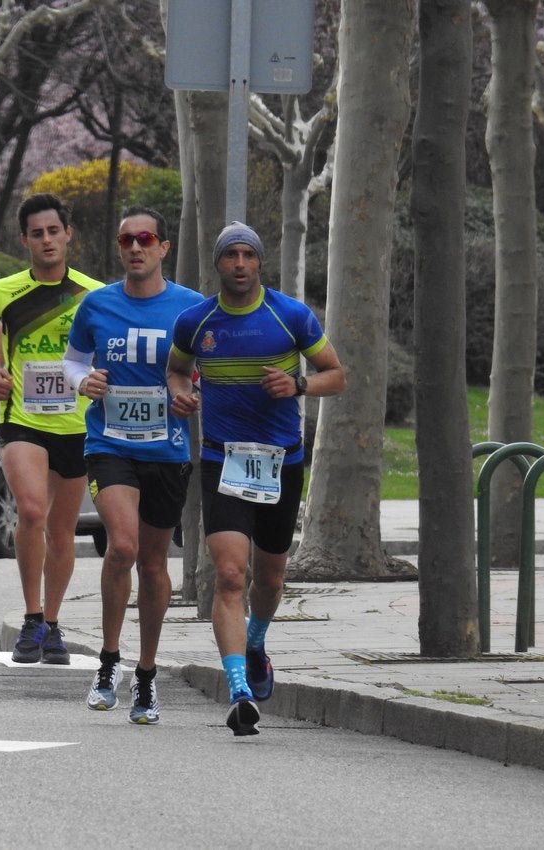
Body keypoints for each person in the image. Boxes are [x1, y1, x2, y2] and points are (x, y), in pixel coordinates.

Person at [166, 221, 346, 736]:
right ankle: (238, 687)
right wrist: (180, 392)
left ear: (258, 262)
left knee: (269, 576)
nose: (239, 264)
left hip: (280, 462)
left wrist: (298, 384)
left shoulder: (289, 315)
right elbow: (177, 369)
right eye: (230, 256)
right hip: (223, 460)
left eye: (248, 255)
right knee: (228, 574)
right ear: (218, 264)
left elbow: (337, 374)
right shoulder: (196, 321)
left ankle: (258, 640)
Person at [63, 206, 204, 723]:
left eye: (145, 238)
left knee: (152, 562)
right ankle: (107, 661)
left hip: (166, 449)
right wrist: (84, 382)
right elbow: (74, 358)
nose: (135, 247)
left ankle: (146, 676)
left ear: (163, 247)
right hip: (110, 444)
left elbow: (204, 367)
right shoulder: (97, 305)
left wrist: (192, 393)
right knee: (121, 545)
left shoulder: (191, 308)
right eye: (126, 240)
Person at [0, 192, 103, 664]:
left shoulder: (93, 294)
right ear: (25, 240)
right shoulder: (2, 291)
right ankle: (32, 616)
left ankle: (54, 625)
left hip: (76, 425)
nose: (46, 240)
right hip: (23, 420)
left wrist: (100, 377)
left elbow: (108, 351)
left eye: (53, 231)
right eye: (36, 233)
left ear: (68, 234)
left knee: (62, 530)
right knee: (32, 512)